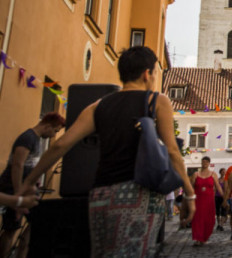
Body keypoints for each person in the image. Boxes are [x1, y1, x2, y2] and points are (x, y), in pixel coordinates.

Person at [19, 46, 196, 257]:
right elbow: (173, 152)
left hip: (100, 194)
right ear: (147, 73)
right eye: (155, 73)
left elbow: (60, 145)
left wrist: (28, 182)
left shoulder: (98, 105)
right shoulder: (156, 101)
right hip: (137, 195)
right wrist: (189, 193)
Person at [0, 112, 65, 258]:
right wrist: (18, 195)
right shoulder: (27, 138)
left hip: (27, 190)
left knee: (36, 223)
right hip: (13, 188)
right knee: (11, 229)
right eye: (54, 131)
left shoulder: (36, 140)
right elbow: (17, 165)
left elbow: (29, 165)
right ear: (47, 126)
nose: (53, 135)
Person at [191, 156, 223, 246]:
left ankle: (204, 236)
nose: (204, 163)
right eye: (203, 161)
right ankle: (198, 238)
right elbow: (191, 187)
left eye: (206, 162)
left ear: (209, 163)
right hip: (198, 200)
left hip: (209, 201)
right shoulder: (196, 174)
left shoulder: (213, 174)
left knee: (209, 219)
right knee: (197, 219)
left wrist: (223, 196)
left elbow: (218, 186)